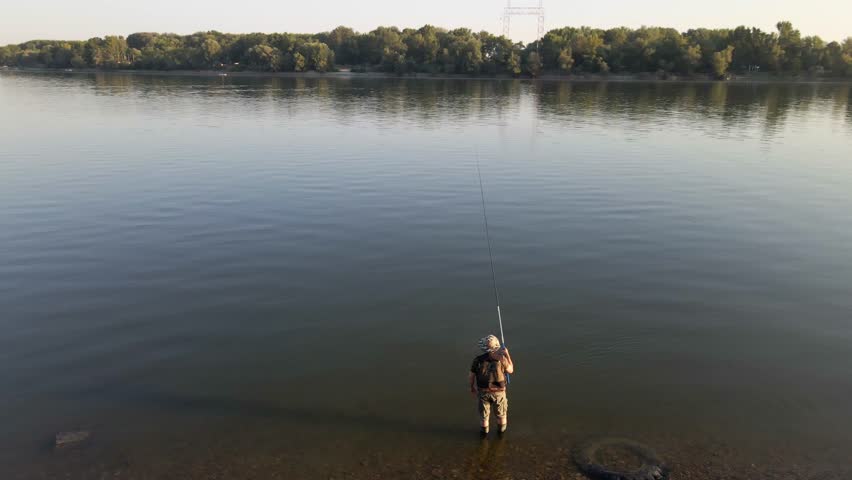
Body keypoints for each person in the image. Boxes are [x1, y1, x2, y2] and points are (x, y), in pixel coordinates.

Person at [469, 334, 514, 436]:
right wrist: (507, 354)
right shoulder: (502, 359)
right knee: (501, 416)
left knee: (484, 417)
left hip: (483, 392)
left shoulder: (478, 360)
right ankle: (501, 436)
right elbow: (511, 370)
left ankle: (484, 437)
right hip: (499, 393)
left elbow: (471, 376)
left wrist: (472, 387)